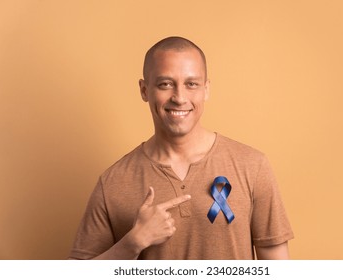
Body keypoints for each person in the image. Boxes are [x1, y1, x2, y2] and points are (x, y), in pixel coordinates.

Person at [69, 36, 294, 260]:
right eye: (165, 84)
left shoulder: (252, 166)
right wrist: (132, 243)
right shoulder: (113, 183)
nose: (179, 97)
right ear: (144, 90)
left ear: (206, 89)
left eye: (191, 84)